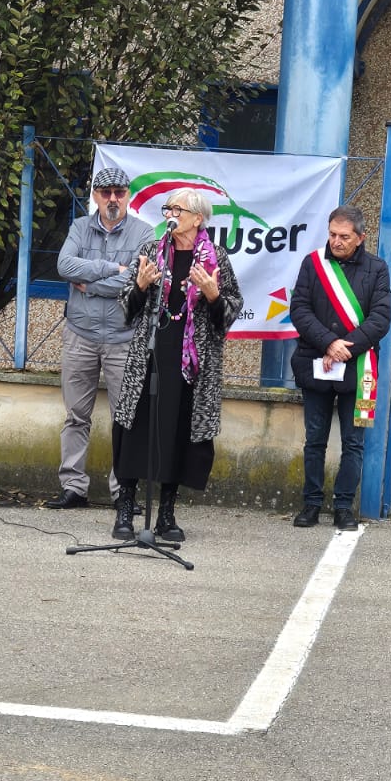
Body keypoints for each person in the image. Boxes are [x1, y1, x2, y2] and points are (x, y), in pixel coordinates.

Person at [111, 187, 242, 543]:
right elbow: (125, 307)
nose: (170, 214)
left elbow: (230, 310)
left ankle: (166, 514)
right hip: (150, 354)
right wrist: (140, 286)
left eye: (178, 209)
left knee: (177, 432)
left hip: (191, 363)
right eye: (167, 208)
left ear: (198, 218)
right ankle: (126, 508)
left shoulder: (215, 257)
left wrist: (213, 294)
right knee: (136, 429)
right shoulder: (152, 250)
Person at [45, 166, 151, 509]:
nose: (113, 199)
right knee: (76, 415)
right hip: (80, 336)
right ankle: (74, 487)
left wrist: (89, 285)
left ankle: (124, 492)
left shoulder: (144, 232)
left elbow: (137, 280)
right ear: (95, 196)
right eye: (106, 193)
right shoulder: (79, 227)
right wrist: (109, 269)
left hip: (124, 337)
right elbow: (64, 266)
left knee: (126, 418)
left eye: (119, 192)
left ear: (128, 196)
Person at [289, 205, 391, 530]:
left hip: (358, 369)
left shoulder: (377, 268)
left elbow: (381, 318)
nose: (336, 241)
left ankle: (344, 507)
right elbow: (300, 309)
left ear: (360, 237)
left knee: (353, 443)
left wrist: (345, 348)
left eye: (344, 236)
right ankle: (311, 503)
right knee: (314, 440)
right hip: (316, 362)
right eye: (332, 234)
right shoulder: (313, 264)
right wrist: (328, 343)